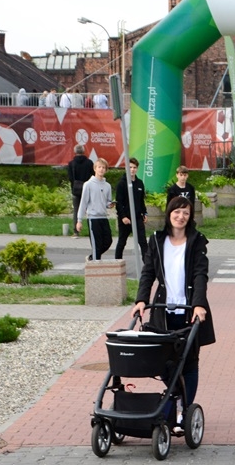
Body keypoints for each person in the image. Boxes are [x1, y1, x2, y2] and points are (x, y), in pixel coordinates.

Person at [131, 195, 214, 434]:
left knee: (189, 361)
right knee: (163, 361)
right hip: (163, 312)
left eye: (186, 213)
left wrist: (199, 305)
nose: (181, 216)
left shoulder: (196, 241)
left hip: (189, 312)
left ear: (190, 217)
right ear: (169, 214)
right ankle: (175, 398)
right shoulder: (157, 241)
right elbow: (148, 273)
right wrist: (141, 300)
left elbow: (200, 275)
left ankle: (183, 410)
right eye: (177, 212)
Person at [76, 158, 113, 260]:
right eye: (99, 167)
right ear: (95, 169)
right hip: (93, 218)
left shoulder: (107, 186)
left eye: (103, 168)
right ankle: (96, 264)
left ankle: (92, 257)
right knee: (97, 244)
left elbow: (107, 202)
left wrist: (110, 205)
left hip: (103, 217)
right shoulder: (88, 184)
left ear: (106, 170)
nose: (101, 169)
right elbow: (83, 203)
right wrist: (79, 220)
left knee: (108, 241)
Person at [114, 157, 148, 260]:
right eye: (130, 167)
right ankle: (118, 262)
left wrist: (144, 213)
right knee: (122, 242)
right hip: (126, 219)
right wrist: (123, 217)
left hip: (137, 218)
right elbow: (118, 202)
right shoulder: (121, 184)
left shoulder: (140, 183)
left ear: (137, 168)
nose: (132, 170)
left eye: (134, 167)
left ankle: (148, 265)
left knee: (143, 242)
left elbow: (141, 201)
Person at [65, 145, 95, 237]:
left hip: (76, 189)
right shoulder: (89, 163)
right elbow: (93, 175)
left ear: (75, 152)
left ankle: (76, 232)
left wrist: (74, 185)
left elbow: (70, 177)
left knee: (76, 210)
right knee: (91, 210)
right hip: (88, 189)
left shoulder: (71, 163)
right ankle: (92, 230)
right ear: (84, 151)